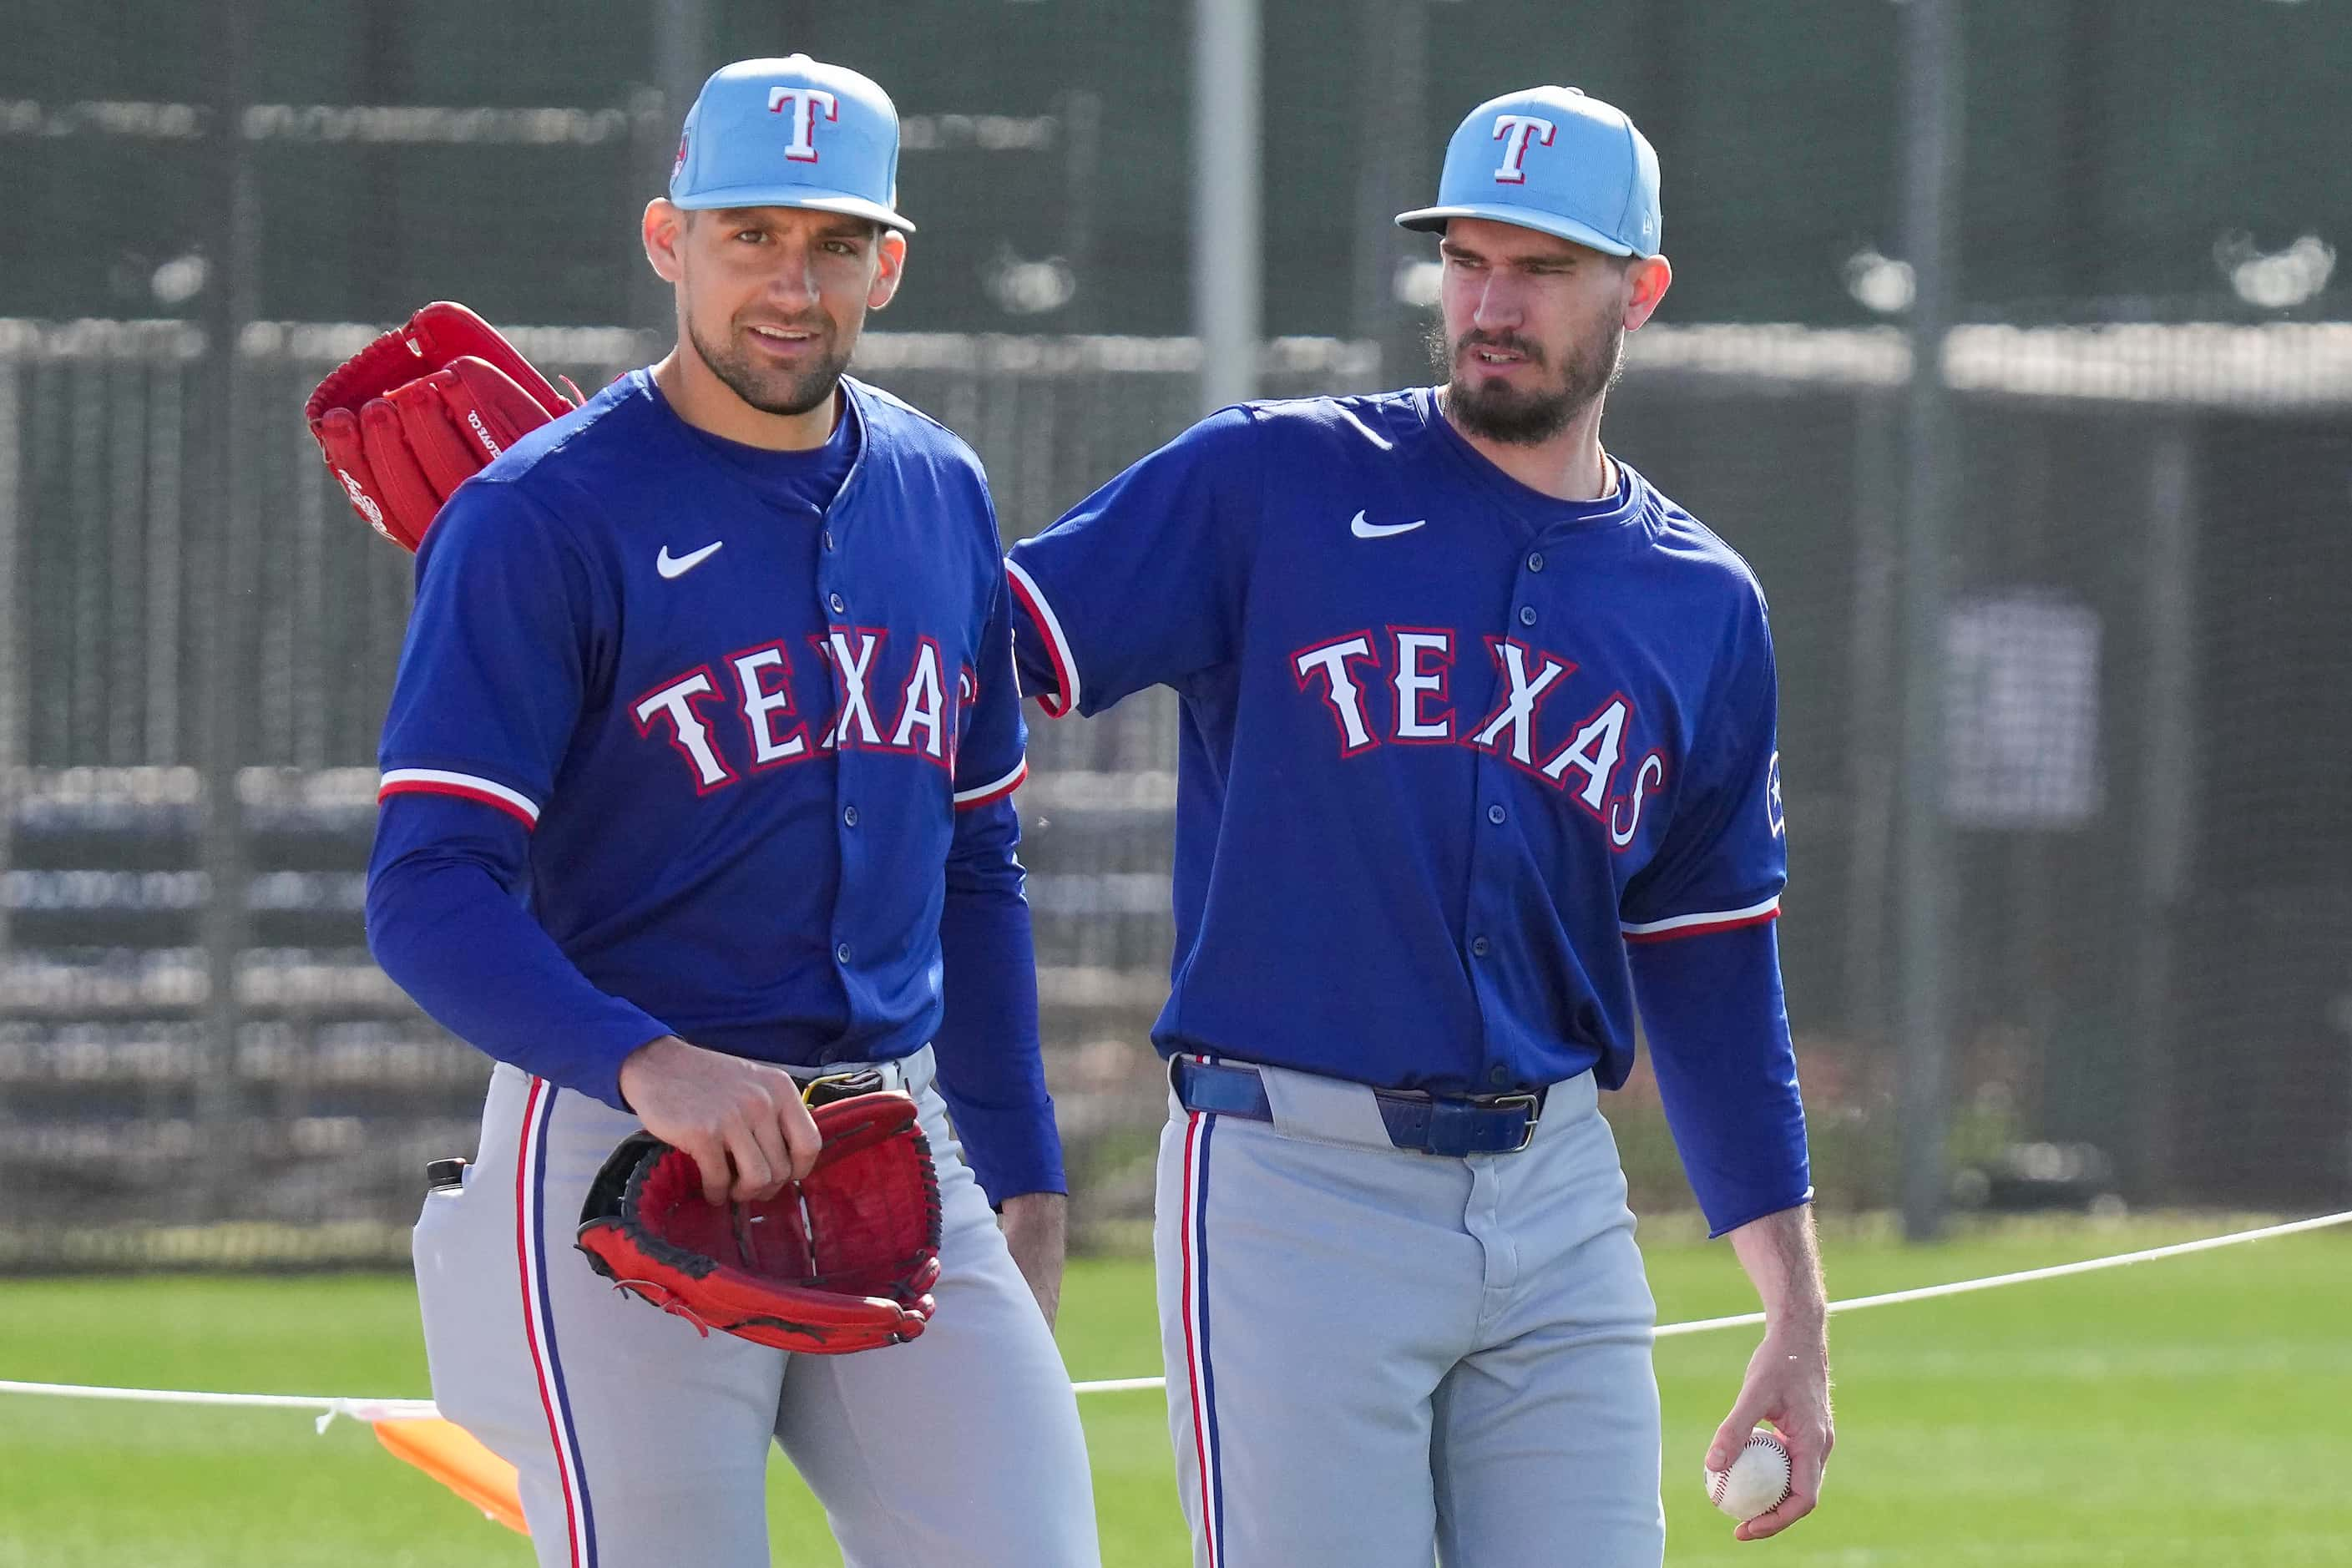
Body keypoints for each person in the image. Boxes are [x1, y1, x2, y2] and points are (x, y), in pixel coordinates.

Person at [1003, 85, 1831, 1565]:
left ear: (1639, 288)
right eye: (1468, 259)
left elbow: (1709, 961)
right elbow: (979, 650)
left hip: (1560, 1194)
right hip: (1292, 1185)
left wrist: (1795, 1303)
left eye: (1543, 268)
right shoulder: (1272, 480)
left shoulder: (1702, 603)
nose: (1492, 304)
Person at [366, 55, 1099, 1568]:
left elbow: (976, 856)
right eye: (751, 233)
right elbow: (426, 887)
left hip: (890, 1137)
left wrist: (1021, 1173)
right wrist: (648, 1062)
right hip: (610, 1146)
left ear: (888, 264)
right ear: (667, 239)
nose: (792, 281)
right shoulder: (540, 515)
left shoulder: (939, 490)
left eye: (834, 242)